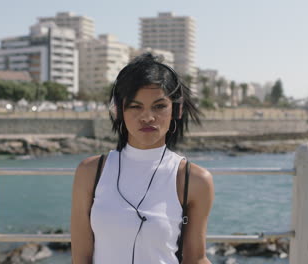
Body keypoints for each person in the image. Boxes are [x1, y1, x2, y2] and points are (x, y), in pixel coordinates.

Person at [71, 53, 214, 264]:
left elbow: (196, 259)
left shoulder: (194, 180)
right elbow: (80, 258)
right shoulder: (90, 172)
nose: (147, 117)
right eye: (135, 106)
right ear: (118, 110)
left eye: (159, 106)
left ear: (177, 109)